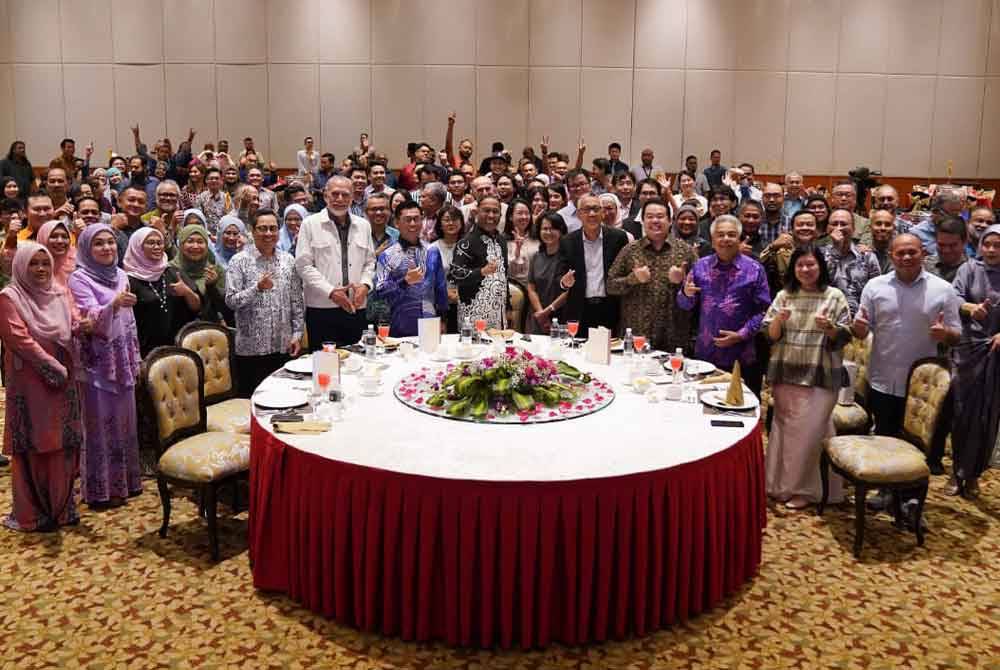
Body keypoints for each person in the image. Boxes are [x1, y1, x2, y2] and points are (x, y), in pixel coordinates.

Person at [0, 243, 84, 530]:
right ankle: (32, 514)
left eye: (45, 264)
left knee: (62, 443)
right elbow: (19, 340)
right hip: (30, 381)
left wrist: (86, 324)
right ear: (21, 266)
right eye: (33, 264)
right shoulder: (9, 297)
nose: (40, 270)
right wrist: (53, 367)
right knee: (35, 444)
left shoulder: (59, 292)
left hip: (64, 377)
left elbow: (73, 323)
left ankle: (61, 509)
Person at [763, 247, 852, 508]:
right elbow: (770, 334)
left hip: (820, 375)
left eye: (810, 265)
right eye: (800, 265)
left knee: (811, 432)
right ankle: (780, 485)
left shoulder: (834, 296)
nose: (805, 270)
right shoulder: (785, 295)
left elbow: (846, 335)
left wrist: (830, 328)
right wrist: (779, 319)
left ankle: (807, 490)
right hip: (786, 372)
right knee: (785, 430)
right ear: (793, 269)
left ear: (820, 267)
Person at [851, 233, 961, 438]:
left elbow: (957, 336)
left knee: (916, 445)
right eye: (901, 253)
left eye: (912, 252)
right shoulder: (874, 287)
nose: (907, 257)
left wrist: (945, 333)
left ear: (923, 253)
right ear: (892, 256)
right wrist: (858, 327)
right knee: (884, 437)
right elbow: (861, 331)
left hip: (923, 386)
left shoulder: (944, 290)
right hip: (882, 379)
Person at [68, 225, 142, 508]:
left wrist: (134, 356)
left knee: (124, 421)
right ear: (87, 248)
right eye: (99, 244)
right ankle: (101, 489)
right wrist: (113, 303)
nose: (107, 248)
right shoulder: (79, 278)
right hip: (97, 363)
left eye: (110, 242)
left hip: (121, 359)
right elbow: (89, 320)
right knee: (100, 424)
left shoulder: (121, 274)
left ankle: (127, 482)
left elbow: (129, 321)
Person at [676, 214, 772, 395]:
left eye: (731, 235)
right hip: (706, 352)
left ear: (739, 239)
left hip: (742, 354)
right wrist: (685, 294)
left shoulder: (755, 269)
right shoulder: (700, 266)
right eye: (720, 235)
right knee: (703, 404)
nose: (726, 239)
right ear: (712, 241)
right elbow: (685, 305)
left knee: (742, 408)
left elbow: (765, 311)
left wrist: (741, 334)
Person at [225, 209, 305, 397]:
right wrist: (257, 288)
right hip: (251, 349)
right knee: (253, 403)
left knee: (283, 401)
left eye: (273, 228)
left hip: (282, 345)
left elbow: (297, 301)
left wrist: (297, 334)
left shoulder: (288, 260)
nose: (268, 233)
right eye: (262, 229)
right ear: (252, 231)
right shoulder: (239, 262)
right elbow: (231, 300)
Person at [947, 224, 1000, 498]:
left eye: (997, 245)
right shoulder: (969, 269)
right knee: (963, 412)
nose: (991, 250)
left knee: (987, 416)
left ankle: (974, 474)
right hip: (968, 351)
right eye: (987, 244)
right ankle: (958, 472)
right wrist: (970, 308)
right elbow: (953, 296)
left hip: (997, 354)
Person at [607, 198, 698, 352]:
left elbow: (700, 291)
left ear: (670, 221)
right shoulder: (630, 250)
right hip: (637, 334)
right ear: (642, 221)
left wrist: (682, 282)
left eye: (660, 216)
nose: (655, 220)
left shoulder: (686, 251)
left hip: (674, 334)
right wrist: (632, 279)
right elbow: (610, 286)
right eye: (649, 216)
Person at [295, 176, 375, 348]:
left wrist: (365, 285)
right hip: (322, 309)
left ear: (352, 197)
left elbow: (370, 262)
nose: (340, 199)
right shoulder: (310, 224)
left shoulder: (363, 225)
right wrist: (331, 292)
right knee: (325, 365)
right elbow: (303, 265)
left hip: (356, 307)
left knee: (357, 363)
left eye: (345, 195)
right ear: (325, 196)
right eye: (335, 194)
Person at [557, 193, 630, 337]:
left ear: (602, 213)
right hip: (579, 309)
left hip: (609, 308)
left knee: (609, 355)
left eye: (596, 209)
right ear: (579, 214)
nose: (591, 214)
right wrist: (564, 283)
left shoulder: (618, 238)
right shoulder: (568, 241)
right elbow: (560, 276)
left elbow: (624, 272)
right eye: (586, 210)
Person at [374, 201, 448, 337]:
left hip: (430, 320)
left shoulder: (432, 251)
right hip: (400, 321)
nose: (413, 224)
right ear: (397, 223)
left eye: (416, 219)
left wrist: (443, 319)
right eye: (408, 220)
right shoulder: (387, 255)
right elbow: (380, 291)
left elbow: (440, 288)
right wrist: (405, 282)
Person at [124, 227, 201, 356]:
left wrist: (187, 292)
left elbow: (197, 306)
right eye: (150, 243)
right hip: (145, 351)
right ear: (138, 247)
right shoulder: (128, 280)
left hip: (179, 347)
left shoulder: (172, 271)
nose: (157, 247)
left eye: (159, 242)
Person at [449, 195, 509, 330]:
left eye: (495, 211)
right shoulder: (466, 242)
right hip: (473, 312)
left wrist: (508, 306)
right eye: (486, 210)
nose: (491, 215)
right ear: (477, 212)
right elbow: (455, 274)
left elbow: (504, 275)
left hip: (498, 313)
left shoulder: (501, 240)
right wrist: (481, 272)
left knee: (497, 350)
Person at [821, 208, 881, 316]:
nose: (838, 228)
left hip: (860, 319)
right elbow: (821, 285)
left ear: (853, 229)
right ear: (827, 228)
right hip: (826, 317)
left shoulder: (867, 257)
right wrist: (836, 250)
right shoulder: (818, 255)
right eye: (834, 224)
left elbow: (877, 292)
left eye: (843, 224)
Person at [172, 224, 231, 326]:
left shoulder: (215, 270)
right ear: (181, 244)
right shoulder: (171, 270)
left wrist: (212, 287)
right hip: (178, 330)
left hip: (210, 330)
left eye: (200, 242)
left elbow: (225, 307)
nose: (195, 246)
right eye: (190, 241)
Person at [526, 211, 570, 334]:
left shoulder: (568, 257)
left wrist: (548, 312)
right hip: (537, 315)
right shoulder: (536, 256)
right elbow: (531, 288)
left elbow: (569, 291)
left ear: (561, 231)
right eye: (545, 229)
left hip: (561, 316)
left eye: (553, 229)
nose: (548, 232)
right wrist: (541, 314)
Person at [760, 210, 819, 296]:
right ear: (792, 229)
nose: (805, 228)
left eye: (810, 225)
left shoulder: (824, 250)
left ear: (817, 229)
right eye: (800, 225)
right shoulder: (781, 251)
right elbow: (758, 266)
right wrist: (773, 246)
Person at [429, 205, 464, 333]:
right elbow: (428, 279)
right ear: (440, 223)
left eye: (455, 219)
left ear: (461, 222)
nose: (451, 223)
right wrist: (445, 292)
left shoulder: (469, 246)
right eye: (447, 219)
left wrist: (460, 293)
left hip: (464, 303)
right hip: (438, 305)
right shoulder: (432, 248)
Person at [923, 215, 968, 283]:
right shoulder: (924, 266)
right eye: (941, 245)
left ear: (964, 242)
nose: (946, 250)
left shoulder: (973, 271)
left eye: (952, 245)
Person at [505, 198, 540, 284]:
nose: (524, 217)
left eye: (527, 213)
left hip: (537, 288)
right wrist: (517, 251)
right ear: (510, 217)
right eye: (520, 213)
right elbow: (507, 270)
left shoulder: (537, 237)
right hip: (515, 290)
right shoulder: (503, 241)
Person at [869, 208, 896, 274]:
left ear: (894, 229)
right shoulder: (862, 252)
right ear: (870, 228)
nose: (883, 228)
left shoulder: (900, 254)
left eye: (887, 225)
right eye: (878, 224)